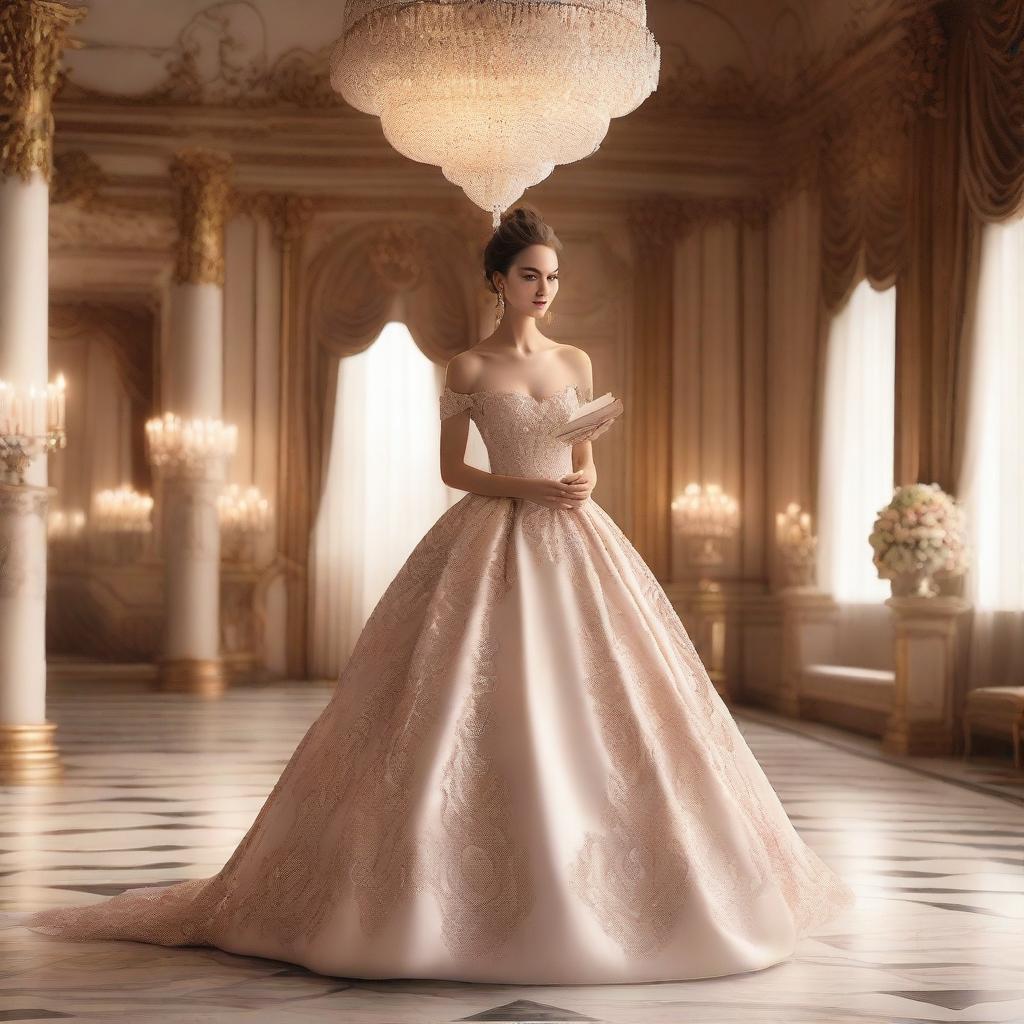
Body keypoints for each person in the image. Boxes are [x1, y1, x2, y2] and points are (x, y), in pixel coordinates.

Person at [24, 204, 855, 985]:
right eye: (531, 275)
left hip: (575, 537)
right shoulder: (468, 364)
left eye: (554, 276)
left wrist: (583, 480)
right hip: (492, 533)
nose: (545, 289)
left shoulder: (576, 362)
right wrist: (528, 493)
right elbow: (452, 469)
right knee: (454, 697)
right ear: (498, 280)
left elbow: (584, 458)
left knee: (615, 699)